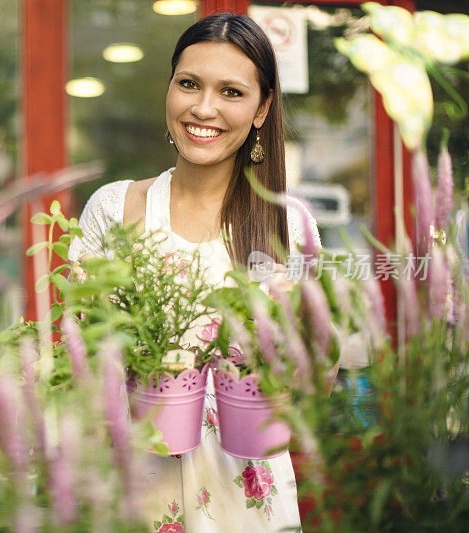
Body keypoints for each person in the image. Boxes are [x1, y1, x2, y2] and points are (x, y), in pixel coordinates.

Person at [67, 12, 320, 533]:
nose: (203, 108)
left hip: (248, 502)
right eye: (189, 84)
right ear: (169, 90)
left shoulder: (288, 225)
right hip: (133, 492)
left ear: (261, 108)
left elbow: (316, 385)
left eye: (231, 92)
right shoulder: (117, 209)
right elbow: (75, 358)